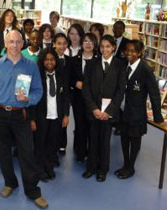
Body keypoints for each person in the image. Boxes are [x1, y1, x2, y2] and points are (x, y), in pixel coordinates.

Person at [0, 30, 48, 209]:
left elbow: (38, 91)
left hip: (21, 115)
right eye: (11, 42)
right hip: (0, 114)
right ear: (5, 43)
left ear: (23, 43)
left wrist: (28, 99)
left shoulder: (31, 66)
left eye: (18, 42)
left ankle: (32, 190)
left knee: (27, 152)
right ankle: (10, 182)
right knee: (3, 151)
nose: (14, 45)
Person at [115, 40, 165, 179]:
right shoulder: (125, 65)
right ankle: (125, 164)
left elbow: (154, 95)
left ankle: (130, 168)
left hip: (137, 114)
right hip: (124, 111)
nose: (129, 53)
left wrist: (158, 117)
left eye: (133, 51)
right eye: (127, 50)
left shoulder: (145, 70)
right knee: (124, 139)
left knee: (134, 141)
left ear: (139, 53)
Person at [82, 35, 127, 182]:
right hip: (94, 111)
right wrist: (94, 109)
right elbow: (86, 89)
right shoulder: (91, 64)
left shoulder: (120, 65)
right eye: (102, 46)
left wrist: (109, 111)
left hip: (108, 112)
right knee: (92, 139)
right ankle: (91, 167)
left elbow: (120, 91)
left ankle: (103, 169)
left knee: (105, 141)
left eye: (108, 46)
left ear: (113, 47)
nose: (104, 49)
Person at [30, 47, 70, 182]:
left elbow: (65, 97)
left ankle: (49, 167)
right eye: (46, 60)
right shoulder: (37, 76)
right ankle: (40, 169)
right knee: (40, 143)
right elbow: (33, 100)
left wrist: (66, 115)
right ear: (42, 61)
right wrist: (32, 119)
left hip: (56, 116)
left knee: (52, 143)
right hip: (41, 116)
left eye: (52, 59)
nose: (49, 62)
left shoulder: (61, 74)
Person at [71, 33, 98, 163]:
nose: (88, 44)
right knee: (80, 125)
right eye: (86, 41)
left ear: (95, 44)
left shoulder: (98, 60)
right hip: (78, 99)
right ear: (82, 44)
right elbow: (69, 77)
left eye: (91, 42)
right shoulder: (75, 60)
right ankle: (81, 153)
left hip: (93, 100)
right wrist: (75, 83)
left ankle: (92, 153)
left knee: (92, 126)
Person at [52, 33, 71, 157]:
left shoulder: (69, 60)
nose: (62, 46)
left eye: (64, 44)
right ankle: (52, 145)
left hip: (65, 95)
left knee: (64, 118)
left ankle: (62, 144)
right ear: (54, 44)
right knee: (53, 121)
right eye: (59, 43)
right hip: (52, 95)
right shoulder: (49, 59)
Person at [112, 21, 129, 136]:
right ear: (113, 29)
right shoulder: (108, 40)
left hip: (121, 74)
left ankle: (119, 125)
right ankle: (113, 120)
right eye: (116, 28)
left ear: (123, 30)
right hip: (109, 74)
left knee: (120, 98)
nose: (117, 30)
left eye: (120, 28)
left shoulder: (127, 43)